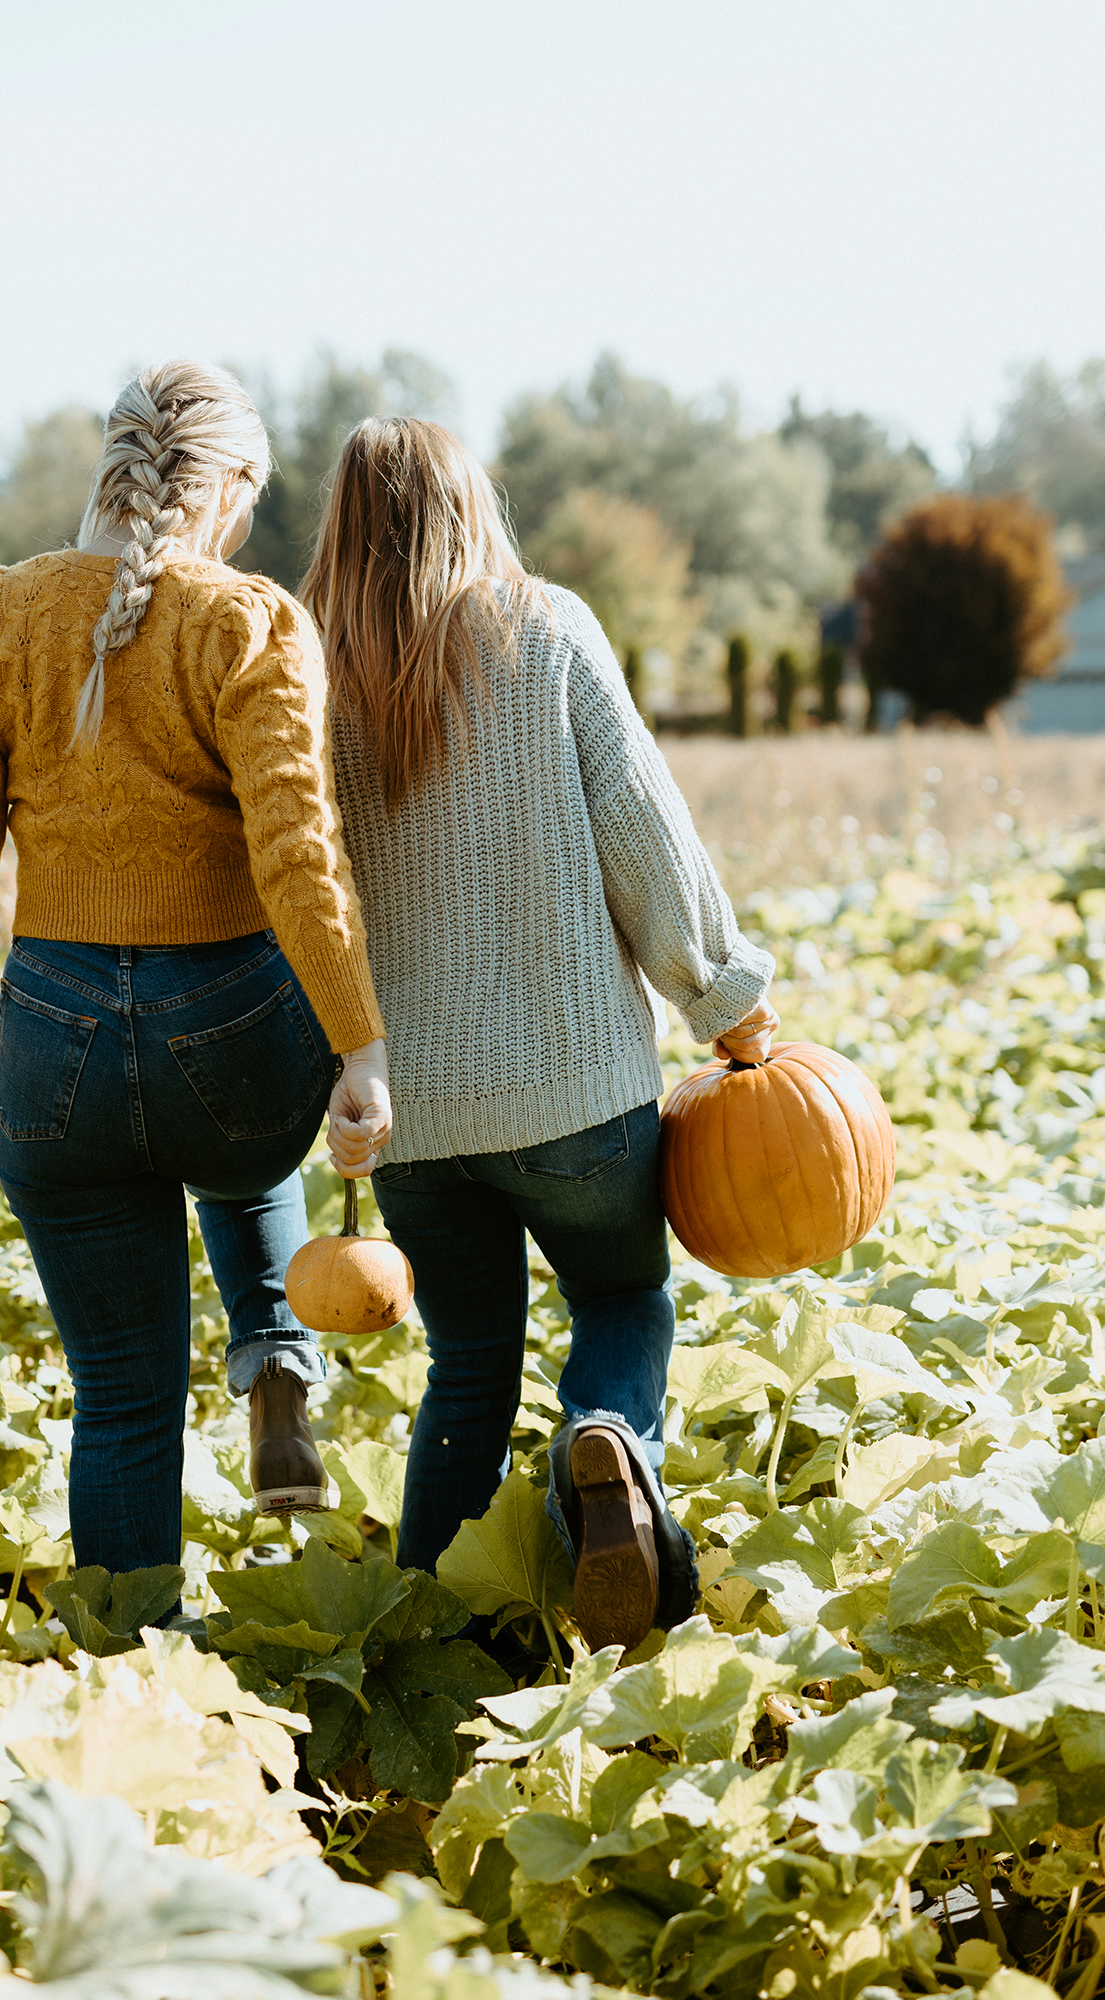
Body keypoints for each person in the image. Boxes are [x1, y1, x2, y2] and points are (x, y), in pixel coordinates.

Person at [0, 361, 391, 1579]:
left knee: (119, 1403)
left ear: (110, 470)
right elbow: (295, 851)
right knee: (238, 1118)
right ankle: (274, 1339)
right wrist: (358, 1044)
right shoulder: (250, 619)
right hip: (231, 1043)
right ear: (233, 492)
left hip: (52, 1044)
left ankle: (130, 1671)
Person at [304, 418, 778, 1654]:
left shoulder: (305, 671)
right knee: (621, 1295)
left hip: (408, 1115)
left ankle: (425, 1639)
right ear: (472, 505)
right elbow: (643, 834)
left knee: (464, 1364)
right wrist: (725, 1001)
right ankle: (606, 1440)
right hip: (576, 1094)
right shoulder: (545, 627)